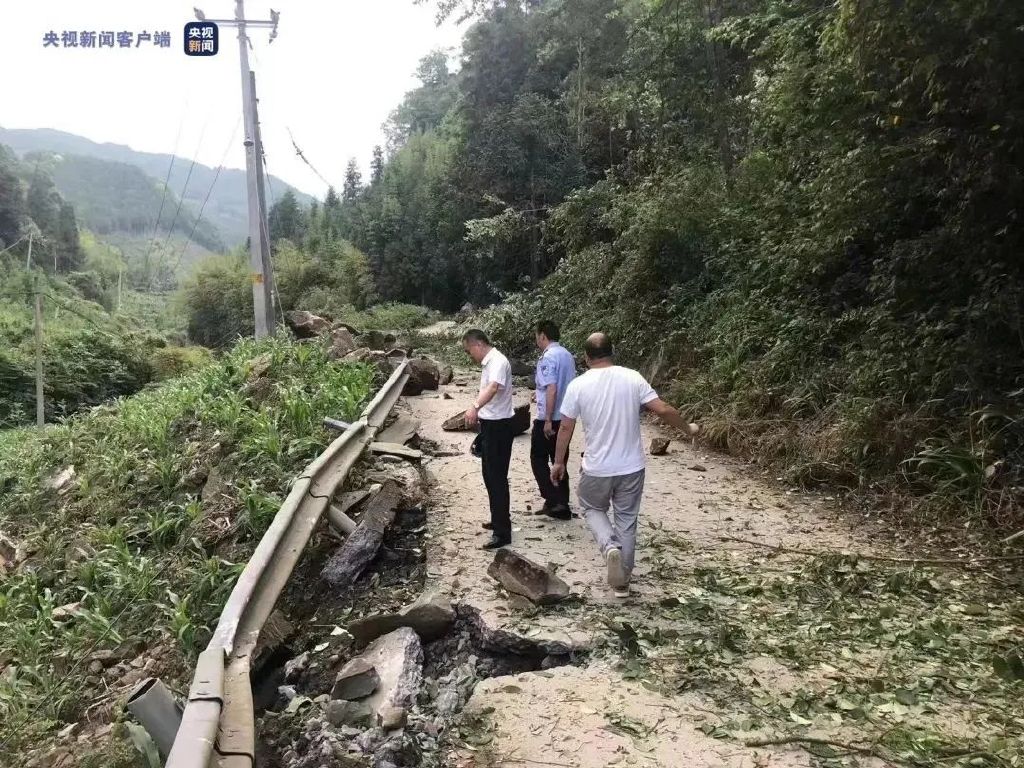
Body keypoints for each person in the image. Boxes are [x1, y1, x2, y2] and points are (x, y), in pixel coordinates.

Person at [551, 333, 698, 597]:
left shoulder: (578, 385)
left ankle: (609, 546)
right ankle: (622, 583)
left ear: (586, 357)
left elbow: (565, 427)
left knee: (592, 507)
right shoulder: (633, 378)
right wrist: (687, 428)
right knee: (627, 520)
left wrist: (559, 462)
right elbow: (663, 409)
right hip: (631, 467)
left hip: (597, 467)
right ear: (612, 352)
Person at [462, 328, 516, 549]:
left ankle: (502, 532)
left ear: (478, 344)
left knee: (497, 478)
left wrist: (474, 407)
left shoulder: (497, 361)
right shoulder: (490, 362)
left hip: (499, 426)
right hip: (491, 424)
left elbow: (493, 388)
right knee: (489, 475)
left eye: (468, 351)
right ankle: (498, 518)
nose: (469, 356)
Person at [531, 320, 576, 520]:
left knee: (538, 458)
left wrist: (547, 419)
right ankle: (561, 501)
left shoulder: (548, 357)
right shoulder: (567, 355)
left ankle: (553, 498)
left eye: (537, 336)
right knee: (559, 459)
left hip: (549, 417)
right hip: (566, 416)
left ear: (542, 335)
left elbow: (552, 388)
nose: (536, 340)